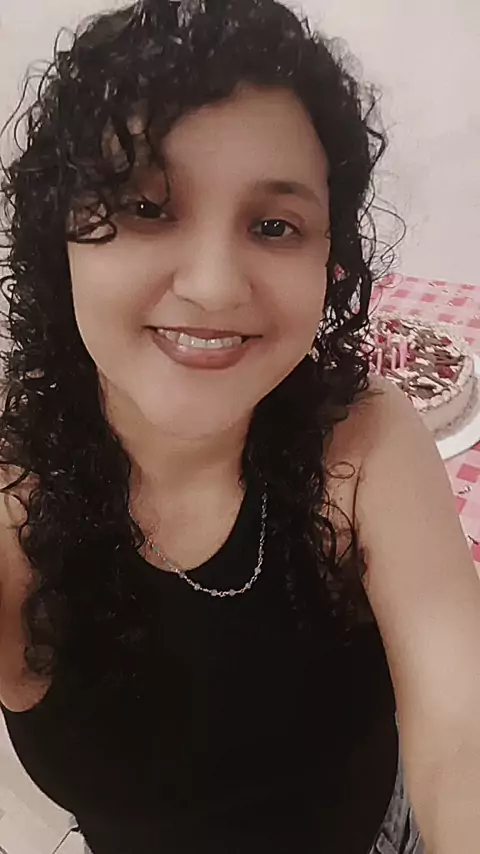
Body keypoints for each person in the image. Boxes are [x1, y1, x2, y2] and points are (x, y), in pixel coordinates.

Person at [0, 1, 479, 852]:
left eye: (273, 226)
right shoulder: (13, 499)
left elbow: (461, 730)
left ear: (328, 261)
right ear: (57, 239)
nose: (216, 286)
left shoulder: (363, 440)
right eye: (146, 207)